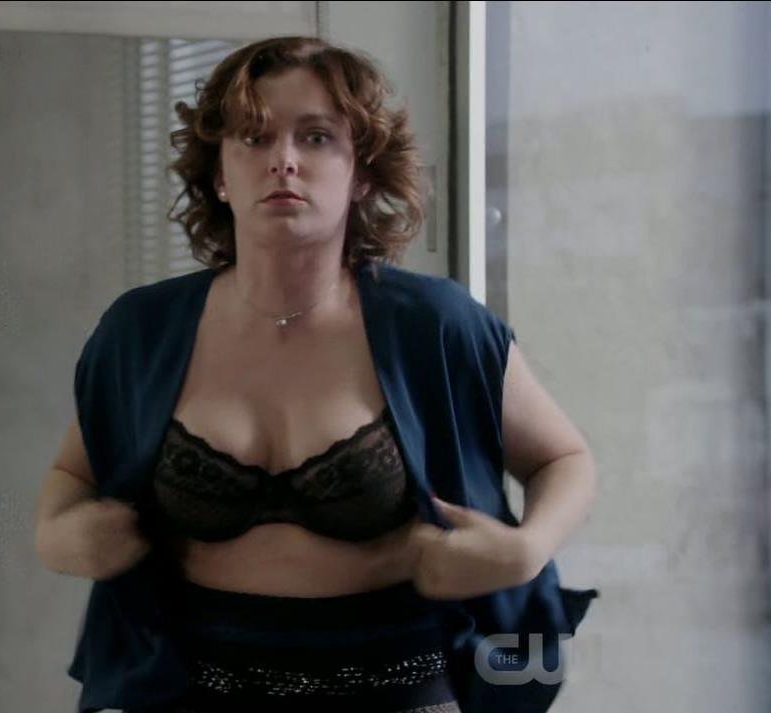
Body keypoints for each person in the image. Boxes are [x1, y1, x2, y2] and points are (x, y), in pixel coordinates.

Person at [34, 36, 597, 713]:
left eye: (317, 137)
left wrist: (526, 550)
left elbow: (564, 459)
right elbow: (70, 480)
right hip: (186, 692)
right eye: (254, 136)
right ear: (219, 173)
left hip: (406, 695)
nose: (284, 160)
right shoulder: (141, 331)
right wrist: (63, 538)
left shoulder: (436, 325)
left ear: (361, 174)